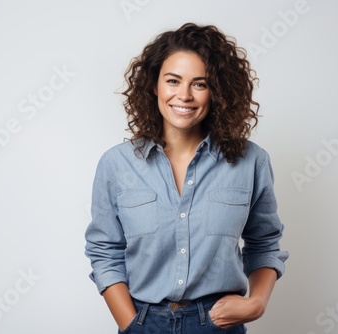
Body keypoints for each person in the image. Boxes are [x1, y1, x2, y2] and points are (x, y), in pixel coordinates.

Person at [85, 22, 288, 334]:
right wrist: (131, 325)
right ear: (154, 85)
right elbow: (105, 251)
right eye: (173, 81)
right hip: (143, 321)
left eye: (200, 84)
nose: (184, 95)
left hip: (218, 323)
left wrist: (257, 302)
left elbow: (264, 243)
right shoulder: (116, 164)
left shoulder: (251, 162)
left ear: (216, 91)